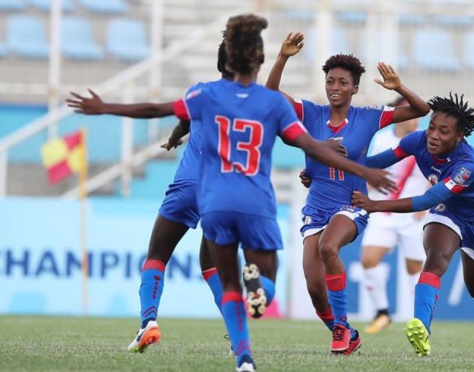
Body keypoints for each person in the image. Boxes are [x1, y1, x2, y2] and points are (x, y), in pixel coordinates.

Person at [70, 14, 395, 372]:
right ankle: (258, 298)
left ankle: (236, 354)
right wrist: (365, 172)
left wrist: (105, 108)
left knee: (212, 275)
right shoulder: (269, 104)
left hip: (214, 200)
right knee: (263, 276)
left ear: (226, 59)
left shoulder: (204, 95)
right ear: (258, 60)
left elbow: (157, 109)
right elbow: (315, 147)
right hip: (255, 201)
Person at [265, 32, 430, 354]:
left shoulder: (368, 117)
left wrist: (398, 87)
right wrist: (283, 57)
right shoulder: (309, 113)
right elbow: (269, 95)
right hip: (316, 206)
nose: (335, 88)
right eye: (330, 81)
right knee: (314, 287)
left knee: (329, 247)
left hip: (351, 205)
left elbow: (420, 109)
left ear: (354, 88)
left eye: (342, 82)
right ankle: (346, 332)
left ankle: (340, 326)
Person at [67, 41, 234, 354]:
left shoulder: (201, 92)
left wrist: (106, 108)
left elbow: (165, 112)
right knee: (211, 262)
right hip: (225, 191)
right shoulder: (253, 102)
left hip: (189, 185)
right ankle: (237, 332)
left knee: (158, 253)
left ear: (219, 64)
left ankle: (149, 322)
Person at [351, 93, 474, 357]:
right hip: (448, 211)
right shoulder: (417, 140)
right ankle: (422, 328)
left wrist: (375, 204)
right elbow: (376, 162)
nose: (433, 135)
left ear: (459, 136)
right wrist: (338, 159)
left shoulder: (468, 165)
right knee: (435, 259)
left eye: (443, 131)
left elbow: (428, 198)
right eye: (432, 127)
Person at [360, 97, 430, 334]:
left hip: (413, 213)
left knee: (414, 268)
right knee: (369, 258)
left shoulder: (425, 140)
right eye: (412, 114)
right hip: (384, 210)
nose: (417, 119)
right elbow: (373, 171)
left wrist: (427, 203)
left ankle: (418, 318)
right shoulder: (381, 139)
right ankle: (382, 312)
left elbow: (437, 174)